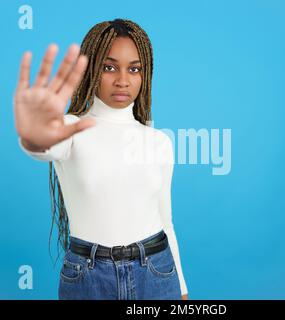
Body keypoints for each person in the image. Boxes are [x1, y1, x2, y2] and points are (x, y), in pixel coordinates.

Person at [13, 18, 188, 300]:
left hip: (157, 273)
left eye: (134, 69)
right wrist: (34, 136)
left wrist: (181, 288)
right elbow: (43, 147)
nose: (122, 79)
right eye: (109, 67)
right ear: (92, 68)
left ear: (145, 75)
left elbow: (166, 222)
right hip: (88, 278)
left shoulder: (159, 142)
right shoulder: (70, 129)